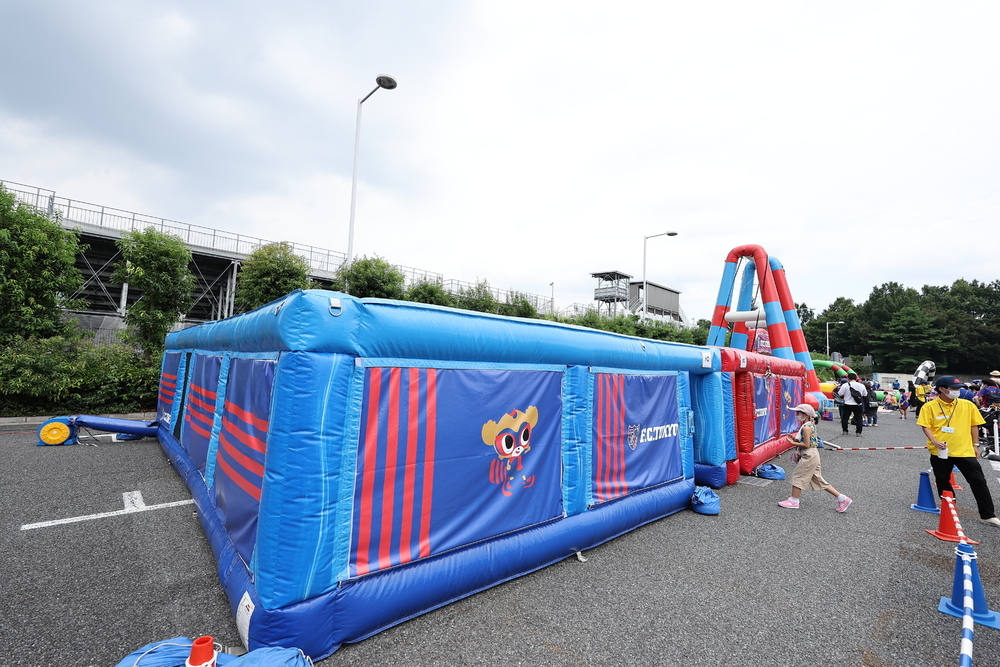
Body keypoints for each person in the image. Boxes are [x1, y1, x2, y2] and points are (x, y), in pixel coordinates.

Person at [917, 375, 1000, 527]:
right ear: (942, 389)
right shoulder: (929, 407)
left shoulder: (967, 405)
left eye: (959, 388)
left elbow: (974, 425)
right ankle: (950, 508)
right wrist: (934, 441)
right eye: (954, 388)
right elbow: (925, 426)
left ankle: (988, 514)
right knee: (942, 481)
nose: (958, 391)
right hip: (940, 451)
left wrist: (975, 445)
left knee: (979, 481)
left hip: (964, 450)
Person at [778, 403, 852, 512]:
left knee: (799, 475)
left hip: (809, 454)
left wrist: (792, 443)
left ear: (806, 415)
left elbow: (807, 444)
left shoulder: (806, 427)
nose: (797, 415)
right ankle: (842, 498)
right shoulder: (809, 425)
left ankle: (794, 500)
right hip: (812, 454)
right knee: (817, 479)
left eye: (799, 413)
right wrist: (795, 440)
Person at [837, 372, 867, 436]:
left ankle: (845, 431)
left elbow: (840, 393)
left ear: (848, 378)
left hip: (847, 404)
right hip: (858, 404)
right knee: (859, 418)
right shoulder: (861, 385)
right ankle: (858, 432)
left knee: (845, 418)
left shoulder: (845, 385)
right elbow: (865, 394)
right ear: (856, 378)